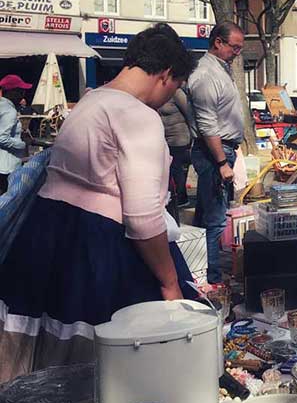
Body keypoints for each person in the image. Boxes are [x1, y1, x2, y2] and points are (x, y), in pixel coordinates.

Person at [0, 24, 197, 382]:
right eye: (175, 87)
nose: (170, 97)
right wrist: (170, 283)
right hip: (101, 247)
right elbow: (142, 217)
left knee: (45, 365)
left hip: (48, 234)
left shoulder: (91, 101)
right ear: (166, 75)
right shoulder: (137, 117)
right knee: (113, 369)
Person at [188, 21, 245, 284]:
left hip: (224, 149)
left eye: (240, 48)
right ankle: (211, 279)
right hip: (215, 153)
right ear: (218, 42)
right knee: (216, 220)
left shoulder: (221, 70)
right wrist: (222, 162)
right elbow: (207, 124)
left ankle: (200, 269)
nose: (237, 52)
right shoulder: (206, 75)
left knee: (207, 216)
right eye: (234, 47)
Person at [158, 85, 194, 209]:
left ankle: (181, 197)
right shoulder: (158, 94)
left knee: (175, 167)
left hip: (180, 137)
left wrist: (193, 136)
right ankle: (174, 196)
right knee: (168, 168)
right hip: (164, 138)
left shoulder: (176, 93)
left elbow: (190, 113)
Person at [0, 75, 31, 194]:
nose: (23, 93)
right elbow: (2, 138)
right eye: (20, 90)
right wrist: (22, 144)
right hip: (6, 167)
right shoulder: (9, 110)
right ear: (11, 92)